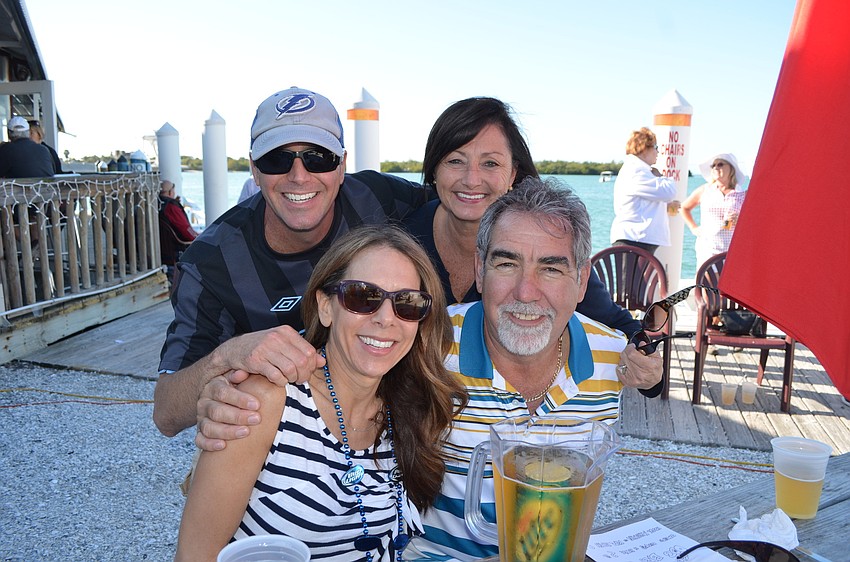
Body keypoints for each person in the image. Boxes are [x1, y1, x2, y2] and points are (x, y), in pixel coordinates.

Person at [175, 225, 467, 562]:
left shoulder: (406, 409)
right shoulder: (265, 402)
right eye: (363, 297)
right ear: (325, 307)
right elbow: (193, 556)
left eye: (408, 303)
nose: (386, 319)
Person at [153, 87, 431, 439]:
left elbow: (460, 211)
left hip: (385, 425)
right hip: (274, 438)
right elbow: (166, 413)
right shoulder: (212, 263)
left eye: (318, 157)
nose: (299, 176)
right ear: (254, 171)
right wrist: (231, 355)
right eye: (276, 159)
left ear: (342, 166)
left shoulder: (381, 199)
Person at [408, 177, 626, 560]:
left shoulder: (612, 357)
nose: (526, 292)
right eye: (507, 263)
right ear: (480, 270)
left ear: (581, 281)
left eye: (551, 269)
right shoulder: (427, 342)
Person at [404, 97, 662, 394]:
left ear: (513, 173)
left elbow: (622, 327)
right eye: (455, 161)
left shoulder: (547, 248)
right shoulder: (404, 242)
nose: (472, 179)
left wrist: (649, 373)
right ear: (434, 170)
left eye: (490, 163)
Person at [609, 127, 680, 254]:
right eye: (655, 147)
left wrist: (665, 205)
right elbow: (668, 192)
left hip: (637, 237)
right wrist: (662, 177)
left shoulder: (639, 170)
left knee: (633, 275)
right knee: (630, 275)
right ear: (644, 148)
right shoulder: (636, 171)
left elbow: (643, 201)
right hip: (634, 237)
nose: (658, 152)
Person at [681, 153, 748, 268]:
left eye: (720, 164)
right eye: (713, 165)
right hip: (707, 248)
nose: (716, 168)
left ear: (731, 169)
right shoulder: (705, 190)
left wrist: (741, 220)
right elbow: (684, 208)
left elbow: (754, 222)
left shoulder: (742, 194)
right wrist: (693, 228)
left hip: (732, 251)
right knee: (706, 284)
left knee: (728, 285)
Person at [158, 180, 199, 283]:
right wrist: (198, 237)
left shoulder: (157, 204)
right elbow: (185, 231)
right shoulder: (171, 207)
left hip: (163, 250)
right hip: (175, 250)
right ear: (170, 192)